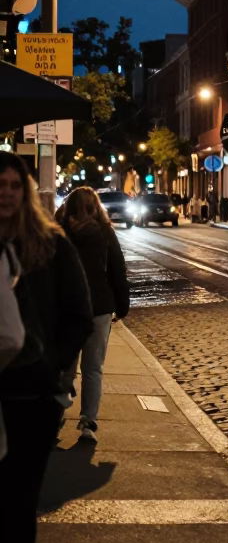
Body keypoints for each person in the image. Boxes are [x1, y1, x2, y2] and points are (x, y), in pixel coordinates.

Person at [0, 152, 93, 543]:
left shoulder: (51, 245)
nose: (8, 192)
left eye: (15, 184)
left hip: (32, 399)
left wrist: (55, 366)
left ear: (28, 191)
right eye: (1, 184)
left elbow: (80, 313)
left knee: (18, 504)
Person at [58, 187, 131, 443]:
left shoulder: (60, 231)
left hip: (66, 309)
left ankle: (55, 416)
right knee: (93, 369)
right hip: (99, 307)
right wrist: (122, 305)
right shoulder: (105, 233)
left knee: (65, 366)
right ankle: (88, 422)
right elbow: (117, 271)